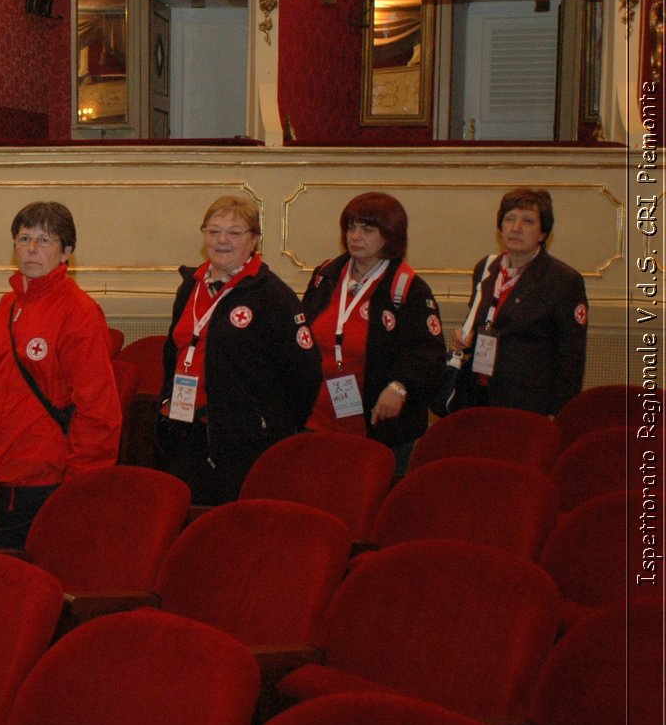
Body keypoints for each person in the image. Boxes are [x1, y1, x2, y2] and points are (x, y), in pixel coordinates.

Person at [157, 194, 322, 504]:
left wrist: (269, 423)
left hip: (243, 441)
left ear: (254, 241)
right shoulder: (190, 285)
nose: (222, 240)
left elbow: (305, 373)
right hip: (186, 428)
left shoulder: (272, 296)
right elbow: (174, 350)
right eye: (213, 230)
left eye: (234, 233)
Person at [0, 201, 122, 547]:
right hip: (5, 469)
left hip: (48, 475)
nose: (31, 249)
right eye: (24, 238)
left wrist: (79, 487)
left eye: (44, 240)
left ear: (66, 251)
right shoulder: (7, 306)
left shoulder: (80, 312)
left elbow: (98, 409)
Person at [301, 192, 446, 475]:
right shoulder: (326, 275)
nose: (355, 236)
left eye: (367, 229)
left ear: (390, 235)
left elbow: (427, 355)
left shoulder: (408, 288)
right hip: (317, 419)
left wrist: (399, 387)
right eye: (351, 227)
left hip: (378, 426)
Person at [450, 187, 588, 415]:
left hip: (528, 404)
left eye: (527, 221)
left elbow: (571, 359)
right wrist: (465, 336)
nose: (516, 228)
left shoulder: (563, 280)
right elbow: (479, 320)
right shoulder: (486, 268)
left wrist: (559, 414)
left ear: (543, 233)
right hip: (476, 394)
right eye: (509, 219)